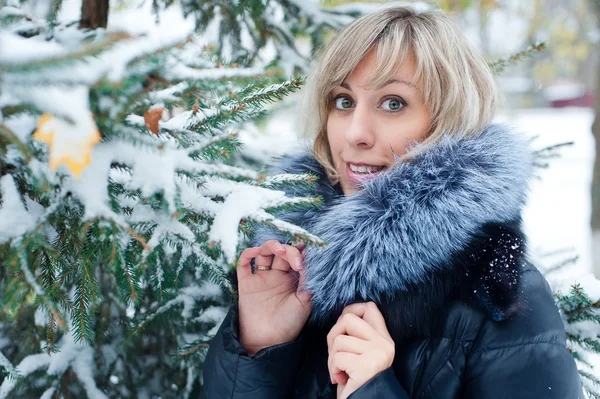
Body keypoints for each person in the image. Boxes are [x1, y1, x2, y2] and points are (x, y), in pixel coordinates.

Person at [201, 6, 583, 399]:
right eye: (343, 101)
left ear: (449, 121)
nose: (356, 134)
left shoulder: (500, 296)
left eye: (393, 103)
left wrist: (374, 390)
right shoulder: (287, 268)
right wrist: (260, 347)